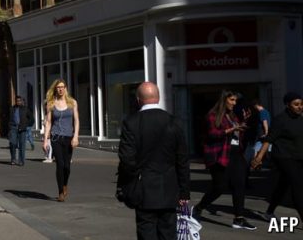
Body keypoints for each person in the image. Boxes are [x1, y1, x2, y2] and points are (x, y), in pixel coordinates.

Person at [117, 82, 190, 240]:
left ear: (138, 100)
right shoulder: (174, 122)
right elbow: (182, 159)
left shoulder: (131, 123)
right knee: (168, 232)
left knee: (146, 232)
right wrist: (184, 191)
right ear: (158, 98)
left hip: (144, 190)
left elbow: (127, 159)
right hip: (170, 189)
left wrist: (132, 180)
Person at [194, 90, 255, 230]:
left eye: (235, 101)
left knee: (239, 184)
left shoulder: (233, 116)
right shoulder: (212, 115)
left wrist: (244, 123)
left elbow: (238, 132)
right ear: (224, 100)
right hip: (220, 154)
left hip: (236, 154)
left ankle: (239, 219)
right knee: (220, 187)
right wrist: (231, 129)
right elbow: (212, 134)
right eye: (232, 100)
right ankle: (198, 208)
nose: (234, 103)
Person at [251, 91, 303, 220]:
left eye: (301, 104)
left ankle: (269, 212)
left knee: (283, 185)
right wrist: (258, 158)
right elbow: (269, 139)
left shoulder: (301, 119)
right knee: (297, 186)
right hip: (283, 157)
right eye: (296, 104)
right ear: (287, 105)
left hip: (298, 156)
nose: (300, 107)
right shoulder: (280, 120)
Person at [42, 78, 79, 201]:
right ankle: (60, 193)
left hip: (69, 138)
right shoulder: (51, 104)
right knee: (60, 164)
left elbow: (76, 121)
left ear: (66, 88)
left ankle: (64, 185)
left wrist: (76, 136)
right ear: (55, 89)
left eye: (62, 87)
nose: (60, 89)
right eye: (58, 87)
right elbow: (48, 122)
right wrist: (45, 140)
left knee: (67, 166)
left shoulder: (72, 103)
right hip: (56, 137)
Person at [8, 97, 33, 166]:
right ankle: (13, 158)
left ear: (22, 101)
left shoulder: (25, 109)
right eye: (17, 101)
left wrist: (26, 125)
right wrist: (10, 127)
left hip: (22, 129)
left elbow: (31, 119)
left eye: (19, 101)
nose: (18, 102)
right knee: (12, 143)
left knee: (22, 145)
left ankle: (21, 161)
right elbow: (9, 119)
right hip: (13, 128)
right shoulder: (12, 109)